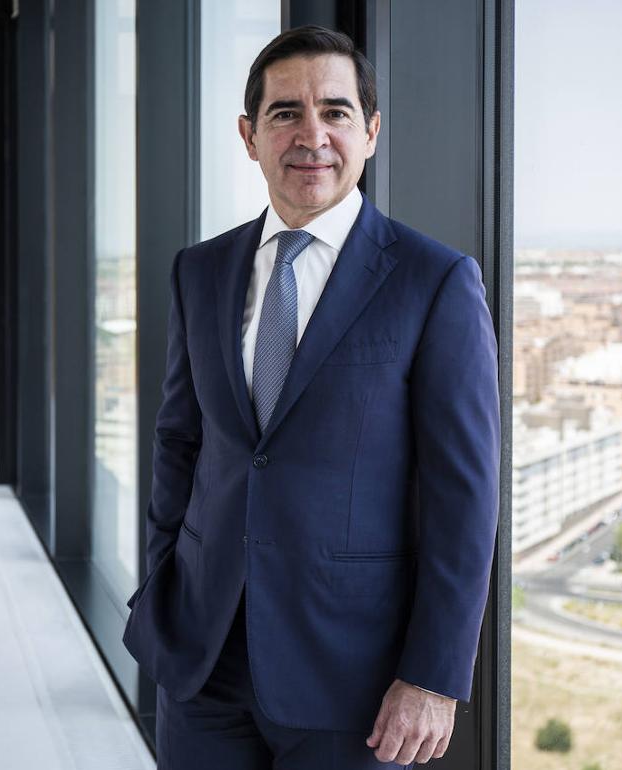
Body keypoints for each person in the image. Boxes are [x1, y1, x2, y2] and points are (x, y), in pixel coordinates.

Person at [122, 25, 500, 769]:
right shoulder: (200, 272)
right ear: (249, 136)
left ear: (371, 132)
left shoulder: (433, 281)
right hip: (202, 657)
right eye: (286, 113)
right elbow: (180, 442)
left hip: (356, 679)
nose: (312, 136)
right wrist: (163, 582)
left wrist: (434, 674)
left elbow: (464, 495)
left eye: (335, 112)